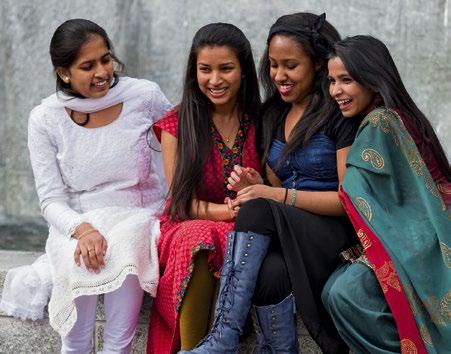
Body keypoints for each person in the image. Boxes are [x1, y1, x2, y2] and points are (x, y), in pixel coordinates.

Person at [183, 13, 363, 354]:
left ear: (318, 63)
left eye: (291, 65)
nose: (279, 75)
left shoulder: (340, 114)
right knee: (269, 272)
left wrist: (271, 194)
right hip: (290, 230)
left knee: (258, 208)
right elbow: (275, 181)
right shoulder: (273, 114)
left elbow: (347, 199)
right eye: (273, 65)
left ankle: (223, 336)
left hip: (335, 232)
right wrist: (256, 182)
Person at [0, 19, 171, 353]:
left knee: (125, 245)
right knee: (77, 336)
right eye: (87, 66)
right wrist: (82, 229)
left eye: (106, 60)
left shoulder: (144, 96)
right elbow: (50, 201)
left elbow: (180, 150)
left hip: (139, 215)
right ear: (64, 73)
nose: (102, 72)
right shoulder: (45, 118)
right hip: (78, 222)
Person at [322, 35, 451, 354]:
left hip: (425, 240)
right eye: (331, 81)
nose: (336, 91)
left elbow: (350, 191)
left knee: (345, 293)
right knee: (337, 291)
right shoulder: (392, 115)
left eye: (346, 80)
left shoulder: (381, 122)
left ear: (372, 78)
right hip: (419, 234)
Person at [146, 23, 261, 353]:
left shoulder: (261, 120)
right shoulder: (176, 123)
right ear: (193, 71)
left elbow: (274, 185)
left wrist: (257, 186)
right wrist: (228, 211)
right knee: (200, 236)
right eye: (205, 70)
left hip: (248, 224)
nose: (215, 80)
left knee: (230, 238)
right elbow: (181, 202)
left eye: (226, 69)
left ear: (243, 70)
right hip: (186, 224)